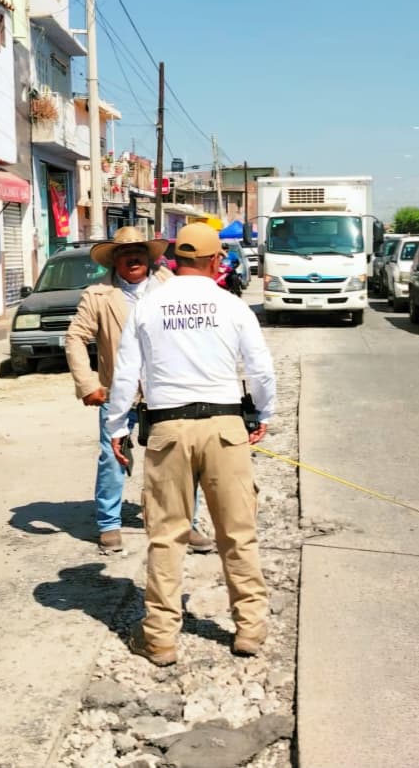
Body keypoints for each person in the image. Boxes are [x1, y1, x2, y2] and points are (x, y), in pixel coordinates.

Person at [108, 223, 276, 666]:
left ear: (172, 261)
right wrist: (263, 412)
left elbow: (126, 373)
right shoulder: (232, 305)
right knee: (238, 532)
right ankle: (249, 630)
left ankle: (160, 638)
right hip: (224, 427)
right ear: (217, 261)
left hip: (167, 430)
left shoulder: (147, 305)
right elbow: (259, 367)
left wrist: (116, 427)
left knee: (166, 536)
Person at [65, 227, 214, 554]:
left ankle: (187, 525)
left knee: (181, 458)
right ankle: (109, 524)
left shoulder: (171, 287)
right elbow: (75, 337)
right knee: (112, 458)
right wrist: (88, 383)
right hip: (117, 391)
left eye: (138, 252)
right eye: (123, 253)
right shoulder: (97, 295)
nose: (132, 258)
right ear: (115, 260)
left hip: (169, 390)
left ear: (149, 256)